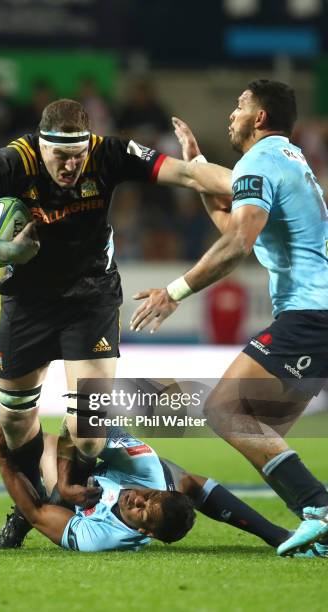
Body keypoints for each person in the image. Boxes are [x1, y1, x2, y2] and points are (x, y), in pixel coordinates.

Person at [0, 98, 217, 548]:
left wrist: (256, 184)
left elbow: (188, 174)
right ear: (41, 146)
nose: (71, 165)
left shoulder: (109, 153)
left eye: (78, 155)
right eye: (61, 156)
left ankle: (77, 495)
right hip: (28, 303)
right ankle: (33, 503)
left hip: (91, 299)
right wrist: (5, 252)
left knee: (89, 436)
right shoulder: (11, 161)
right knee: (16, 425)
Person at [129, 79, 328, 557]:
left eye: (240, 105)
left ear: (261, 117)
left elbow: (237, 243)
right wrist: (197, 168)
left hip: (311, 314)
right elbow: (237, 227)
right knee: (262, 427)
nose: (231, 114)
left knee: (224, 410)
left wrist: (174, 291)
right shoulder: (288, 161)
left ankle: (318, 509)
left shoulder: (260, 161)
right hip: (315, 316)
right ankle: (318, 525)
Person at [0, 422, 292, 553]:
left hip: (73, 502)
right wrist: (70, 478)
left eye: (143, 513)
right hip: (114, 467)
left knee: (44, 451)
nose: (136, 500)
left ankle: (16, 526)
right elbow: (81, 424)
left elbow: (39, 513)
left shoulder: (102, 537)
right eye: (148, 498)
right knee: (184, 479)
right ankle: (275, 535)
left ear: (146, 533)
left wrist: (3, 459)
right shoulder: (148, 471)